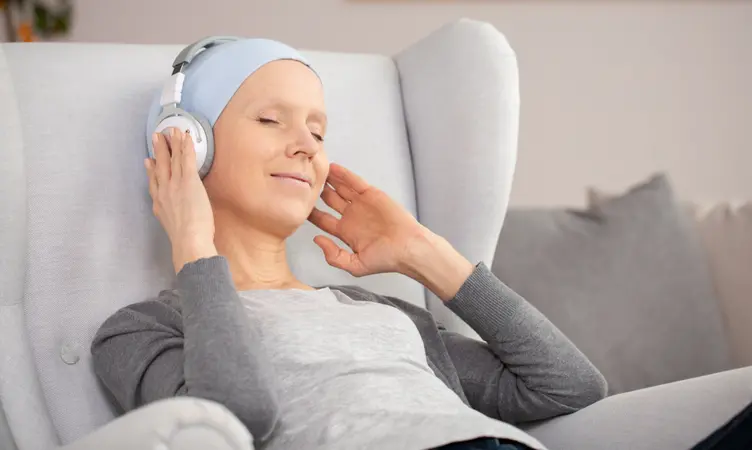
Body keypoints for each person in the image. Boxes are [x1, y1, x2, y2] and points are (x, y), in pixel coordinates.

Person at [90, 37, 607, 450]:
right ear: (188, 142)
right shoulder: (142, 330)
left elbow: (568, 385)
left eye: (318, 132)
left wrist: (422, 251)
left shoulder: (380, 312)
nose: (305, 147)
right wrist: (195, 246)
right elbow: (237, 413)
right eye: (271, 120)